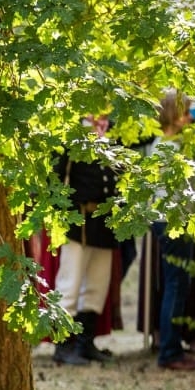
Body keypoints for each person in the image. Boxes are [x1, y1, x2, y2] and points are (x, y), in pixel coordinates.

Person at [51, 114, 132, 365]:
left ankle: (86, 344)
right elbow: (56, 175)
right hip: (79, 219)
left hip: (105, 221)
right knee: (70, 283)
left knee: (97, 285)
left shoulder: (113, 133)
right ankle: (63, 347)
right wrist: (60, 214)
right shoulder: (72, 133)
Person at [147, 91, 195, 371]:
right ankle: (169, 352)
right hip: (172, 220)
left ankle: (171, 347)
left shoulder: (164, 145)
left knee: (176, 283)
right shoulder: (170, 147)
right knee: (176, 283)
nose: (191, 117)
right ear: (173, 114)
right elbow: (192, 185)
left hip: (167, 219)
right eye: (186, 111)